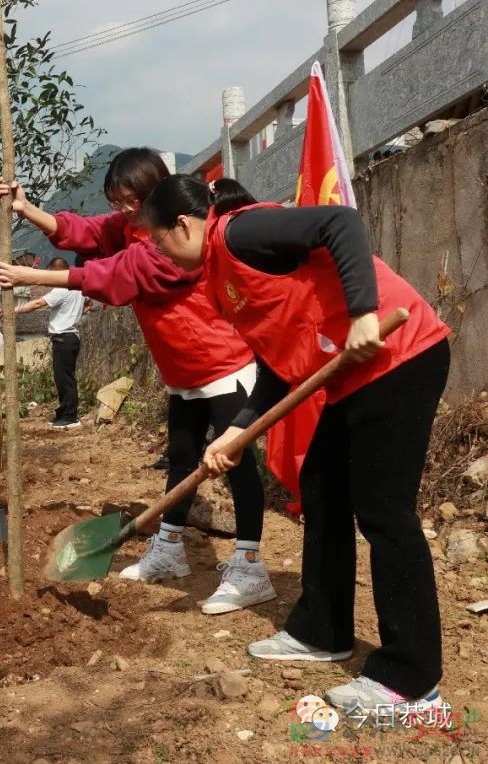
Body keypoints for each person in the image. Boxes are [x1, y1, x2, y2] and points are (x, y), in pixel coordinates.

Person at [141, 174, 451, 717]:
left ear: (183, 225)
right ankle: (321, 630)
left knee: (384, 514)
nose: (158, 251)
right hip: (351, 374)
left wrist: (360, 313)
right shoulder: (220, 271)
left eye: (157, 239)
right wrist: (241, 427)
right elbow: (276, 359)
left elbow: (340, 222)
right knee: (323, 492)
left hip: (399, 356)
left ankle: (411, 681)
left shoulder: (240, 232)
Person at [0, 148, 274, 615]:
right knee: (182, 461)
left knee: (237, 465)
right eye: (117, 200)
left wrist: (35, 276)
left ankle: (249, 565)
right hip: (181, 372)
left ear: (154, 195)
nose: (123, 210)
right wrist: (28, 210)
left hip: (223, 365)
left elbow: (117, 274)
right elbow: (86, 232)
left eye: (131, 201)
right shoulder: (130, 227)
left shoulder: (174, 242)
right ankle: (169, 548)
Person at [12, 257, 89, 429]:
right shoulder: (78, 288)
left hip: (64, 338)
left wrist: (14, 310)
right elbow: (89, 304)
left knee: (65, 379)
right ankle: (63, 413)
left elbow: (39, 303)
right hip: (70, 337)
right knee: (62, 378)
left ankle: (70, 417)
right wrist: (74, 315)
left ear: (56, 271)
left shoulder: (62, 289)